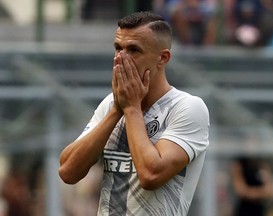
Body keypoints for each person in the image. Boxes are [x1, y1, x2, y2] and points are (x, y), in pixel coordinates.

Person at [58, 11, 210, 216]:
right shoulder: (112, 104)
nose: (120, 58)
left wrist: (131, 109)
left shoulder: (188, 107)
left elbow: (150, 175)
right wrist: (115, 111)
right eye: (117, 48)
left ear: (162, 58)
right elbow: (68, 171)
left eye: (133, 50)